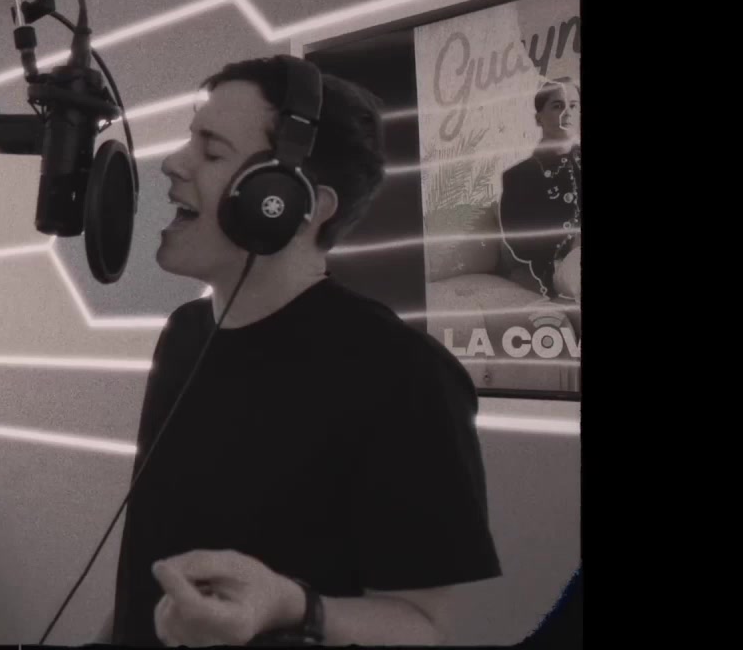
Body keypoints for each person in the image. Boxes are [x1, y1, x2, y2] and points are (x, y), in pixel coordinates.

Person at [100, 56, 502, 646]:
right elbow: (153, 564)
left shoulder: (403, 373)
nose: (173, 163)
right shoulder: (183, 333)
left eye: (211, 152)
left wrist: (294, 607)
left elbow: (423, 625)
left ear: (288, 201)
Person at [497, 77, 581, 304]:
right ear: (539, 118)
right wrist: (569, 244)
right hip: (558, 268)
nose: (567, 113)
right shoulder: (519, 176)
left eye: (573, 106)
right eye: (557, 106)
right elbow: (519, 242)